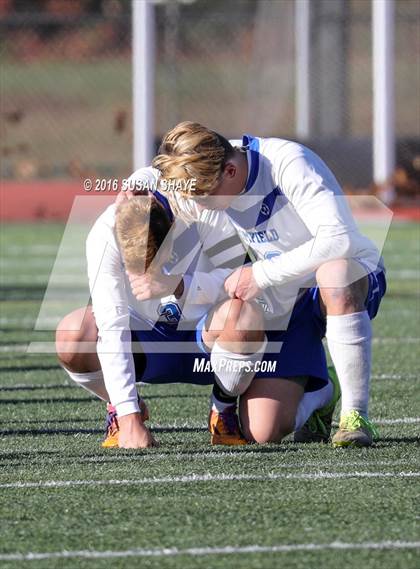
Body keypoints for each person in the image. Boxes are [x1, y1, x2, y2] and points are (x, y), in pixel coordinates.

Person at [148, 121, 386, 448]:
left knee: (334, 274)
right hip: (285, 297)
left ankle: (354, 416)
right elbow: (157, 180)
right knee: (263, 431)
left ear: (231, 171)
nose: (199, 206)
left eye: (204, 196)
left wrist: (260, 274)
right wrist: (134, 190)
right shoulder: (214, 159)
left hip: (348, 276)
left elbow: (339, 240)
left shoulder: (290, 162)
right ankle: (323, 391)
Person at [55, 177, 337, 448]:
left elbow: (241, 280)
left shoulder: (206, 208)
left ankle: (228, 404)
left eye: (157, 262)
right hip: (152, 337)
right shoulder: (106, 231)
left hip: (217, 334)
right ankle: (120, 407)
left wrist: (179, 285)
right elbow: (111, 325)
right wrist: (129, 415)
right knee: (73, 335)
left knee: (263, 431)